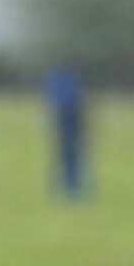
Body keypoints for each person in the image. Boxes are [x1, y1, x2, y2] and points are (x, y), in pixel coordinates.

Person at [45, 65, 90, 201]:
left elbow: (51, 100)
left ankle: (58, 186)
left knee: (63, 157)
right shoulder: (74, 82)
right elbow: (81, 103)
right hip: (73, 124)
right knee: (73, 158)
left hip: (63, 123)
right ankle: (72, 189)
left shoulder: (58, 81)